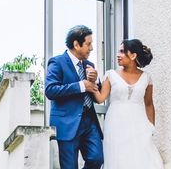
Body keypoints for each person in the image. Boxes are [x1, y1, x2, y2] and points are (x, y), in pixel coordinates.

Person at [92, 38, 164, 168]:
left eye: (122, 51)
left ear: (133, 55)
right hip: (115, 123)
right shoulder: (111, 75)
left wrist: (151, 127)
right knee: (118, 159)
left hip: (140, 124)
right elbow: (100, 98)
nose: (118, 55)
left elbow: (149, 104)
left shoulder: (147, 78)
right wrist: (91, 83)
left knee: (142, 158)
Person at [45, 25, 104, 169]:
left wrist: (96, 80)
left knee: (97, 158)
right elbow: (50, 90)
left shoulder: (89, 65)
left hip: (89, 122)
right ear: (76, 45)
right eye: (88, 44)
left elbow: (98, 94)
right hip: (67, 123)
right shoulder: (57, 62)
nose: (91, 48)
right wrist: (81, 86)